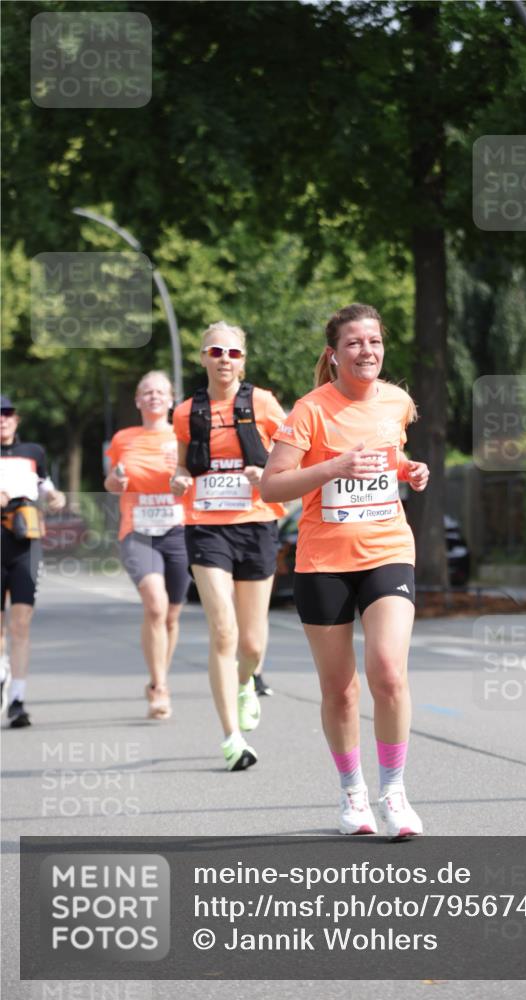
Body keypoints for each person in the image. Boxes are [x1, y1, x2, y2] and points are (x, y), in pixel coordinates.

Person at [260, 304, 429, 839]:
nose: (367, 351)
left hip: (387, 549)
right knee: (340, 691)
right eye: (355, 343)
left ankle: (395, 793)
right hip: (323, 562)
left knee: (388, 670)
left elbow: (390, 458)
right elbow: (271, 486)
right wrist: (332, 466)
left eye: (374, 341)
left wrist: (410, 469)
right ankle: (352, 792)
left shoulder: (397, 402)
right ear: (334, 354)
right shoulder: (310, 410)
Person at [170, 321, 286, 771]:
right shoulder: (186, 412)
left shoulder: (263, 403)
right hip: (205, 526)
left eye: (233, 353)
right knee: (224, 631)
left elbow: (290, 452)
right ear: (202, 357)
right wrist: (179, 479)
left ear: (243, 360)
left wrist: (268, 473)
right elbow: (180, 469)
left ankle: (246, 681)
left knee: (252, 643)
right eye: (216, 351)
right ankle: (231, 738)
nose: (224, 359)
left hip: (255, 523)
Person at [105, 371, 189, 720]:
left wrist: (183, 481)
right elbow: (110, 482)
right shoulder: (123, 438)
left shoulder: (182, 436)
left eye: (161, 392)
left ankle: (160, 678)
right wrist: (116, 480)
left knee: (171, 615)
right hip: (137, 529)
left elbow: (193, 478)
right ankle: (160, 687)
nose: (154, 397)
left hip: (178, 530)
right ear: (138, 400)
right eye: (147, 392)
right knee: (155, 605)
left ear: (171, 399)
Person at [0, 394, 66, 727]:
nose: (3, 419)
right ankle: (2, 671)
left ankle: (18, 700)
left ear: (16, 418)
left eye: (8, 413)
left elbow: (48, 488)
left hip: (25, 541)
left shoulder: (33, 453)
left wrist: (56, 498)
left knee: (21, 623)